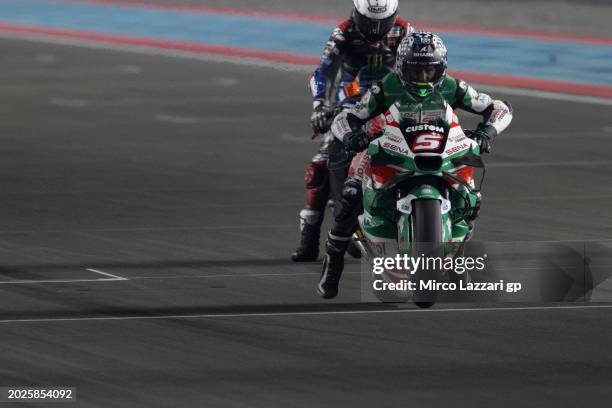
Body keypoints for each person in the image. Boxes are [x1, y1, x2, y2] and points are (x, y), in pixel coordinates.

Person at [317, 32, 514, 298]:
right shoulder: (387, 86)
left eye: (429, 70)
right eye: (415, 70)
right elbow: (349, 115)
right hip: (388, 143)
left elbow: (499, 107)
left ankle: (456, 255)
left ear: (441, 68)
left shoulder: (453, 87)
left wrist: (487, 132)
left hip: (441, 146)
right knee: (351, 195)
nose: (423, 77)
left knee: (471, 199)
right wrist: (353, 136)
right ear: (401, 67)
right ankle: (334, 263)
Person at [292, 0, 413, 262]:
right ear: (357, 14)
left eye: (382, 22)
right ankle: (310, 236)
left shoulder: (405, 32)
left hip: (391, 100)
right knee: (321, 163)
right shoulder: (343, 31)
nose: (375, 28)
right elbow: (322, 71)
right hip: (350, 98)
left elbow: (421, 67)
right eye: (369, 21)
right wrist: (319, 106)